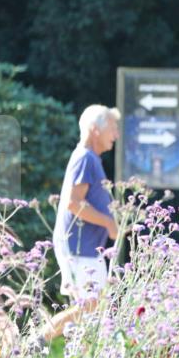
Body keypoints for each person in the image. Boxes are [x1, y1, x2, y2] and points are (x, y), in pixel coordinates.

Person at [43, 105, 121, 343]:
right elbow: (73, 203)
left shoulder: (90, 158)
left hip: (86, 248)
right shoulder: (85, 158)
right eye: (112, 128)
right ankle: (39, 340)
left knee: (93, 311)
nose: (115, 135)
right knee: (92, 307)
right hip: (79, 247)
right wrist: (108, 222)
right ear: (95, 130)